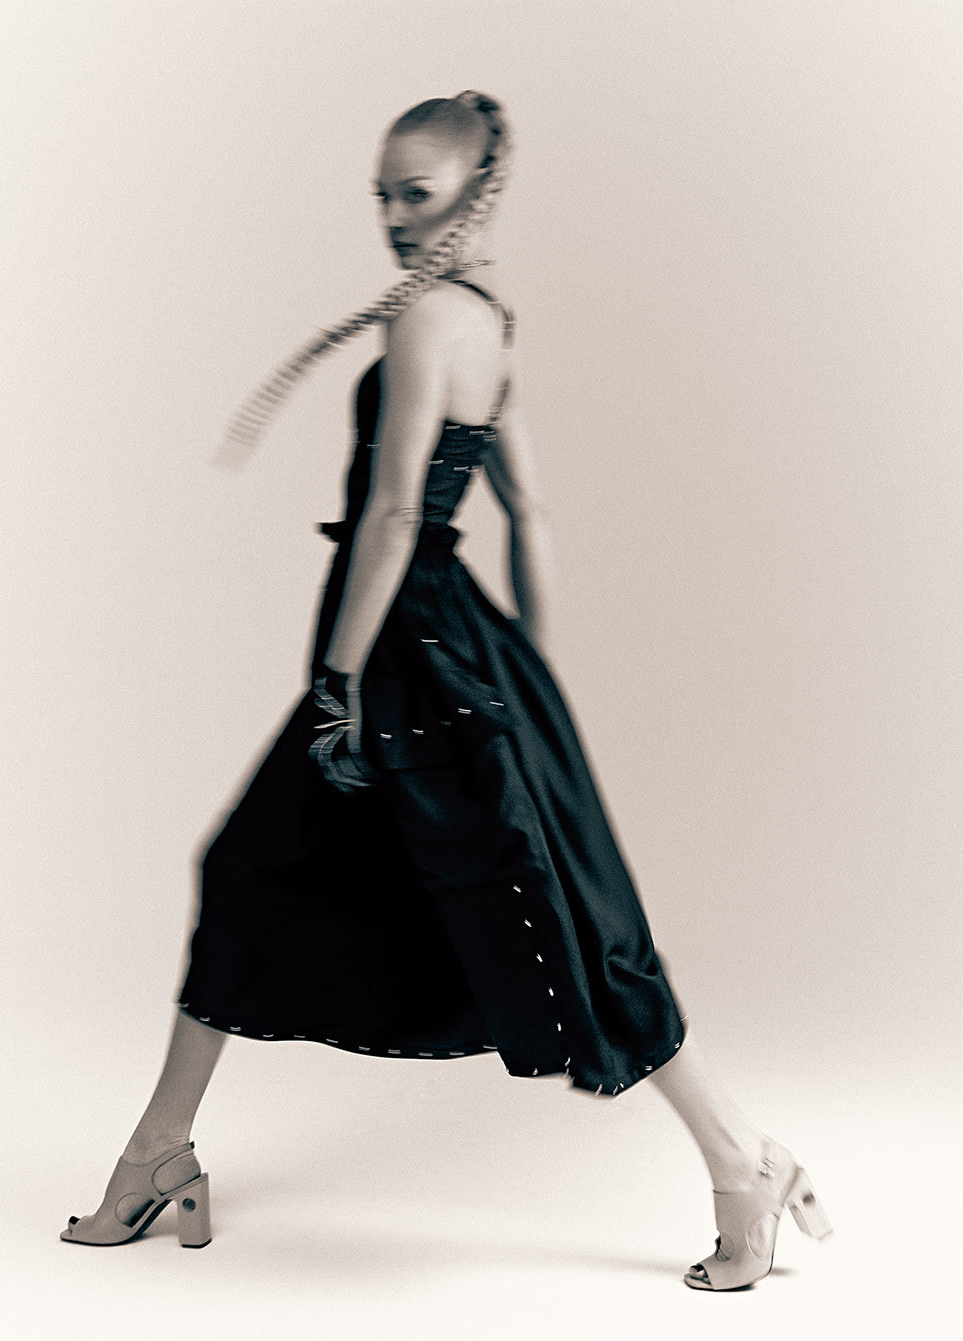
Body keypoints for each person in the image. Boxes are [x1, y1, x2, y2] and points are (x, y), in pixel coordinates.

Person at [59, 90, 832, 1291]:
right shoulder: (486, 324)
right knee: (269, 873)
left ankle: (744, 1162)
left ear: (477, 195)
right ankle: (158, 1152)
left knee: (554, 917)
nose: (390, 216)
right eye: (379, 194)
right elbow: (530, 512)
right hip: (444, 649)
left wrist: (338, 679)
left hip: (405, 653)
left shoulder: (429, 323)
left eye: (414, 194)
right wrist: (535, 680)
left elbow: (393, 516)